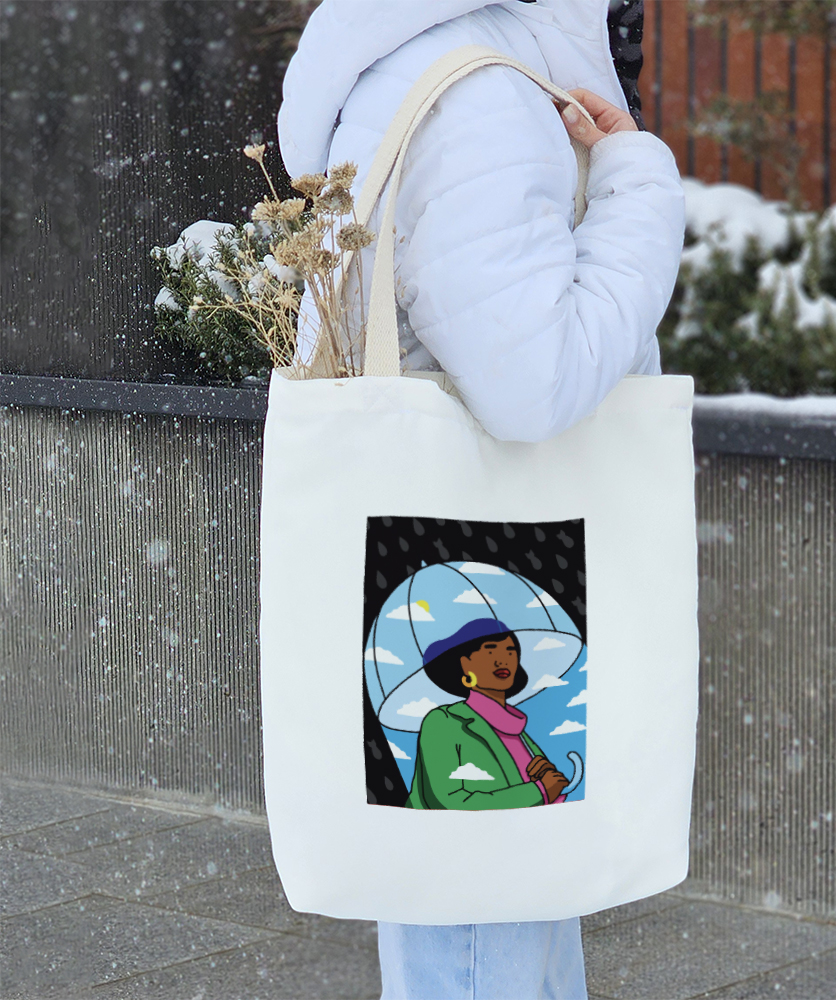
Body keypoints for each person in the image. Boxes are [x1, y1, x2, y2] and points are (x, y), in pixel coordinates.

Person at [278, 1, 684, 996]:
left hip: (447, 527)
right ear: (464, 665)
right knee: (480, 941)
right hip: (497, 521)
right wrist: (637, 185)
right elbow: (532, 385)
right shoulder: (480, 95)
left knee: (494, 927)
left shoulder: (436, 62)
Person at [408, 619, 570, 809]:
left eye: (510, 651)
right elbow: (449, 800)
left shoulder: (518, 730)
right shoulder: (443, 722)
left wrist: (548, 778)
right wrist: (540, 791)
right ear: (465, 663)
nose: (502, 660)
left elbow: (543, 792)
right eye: (490, 650)